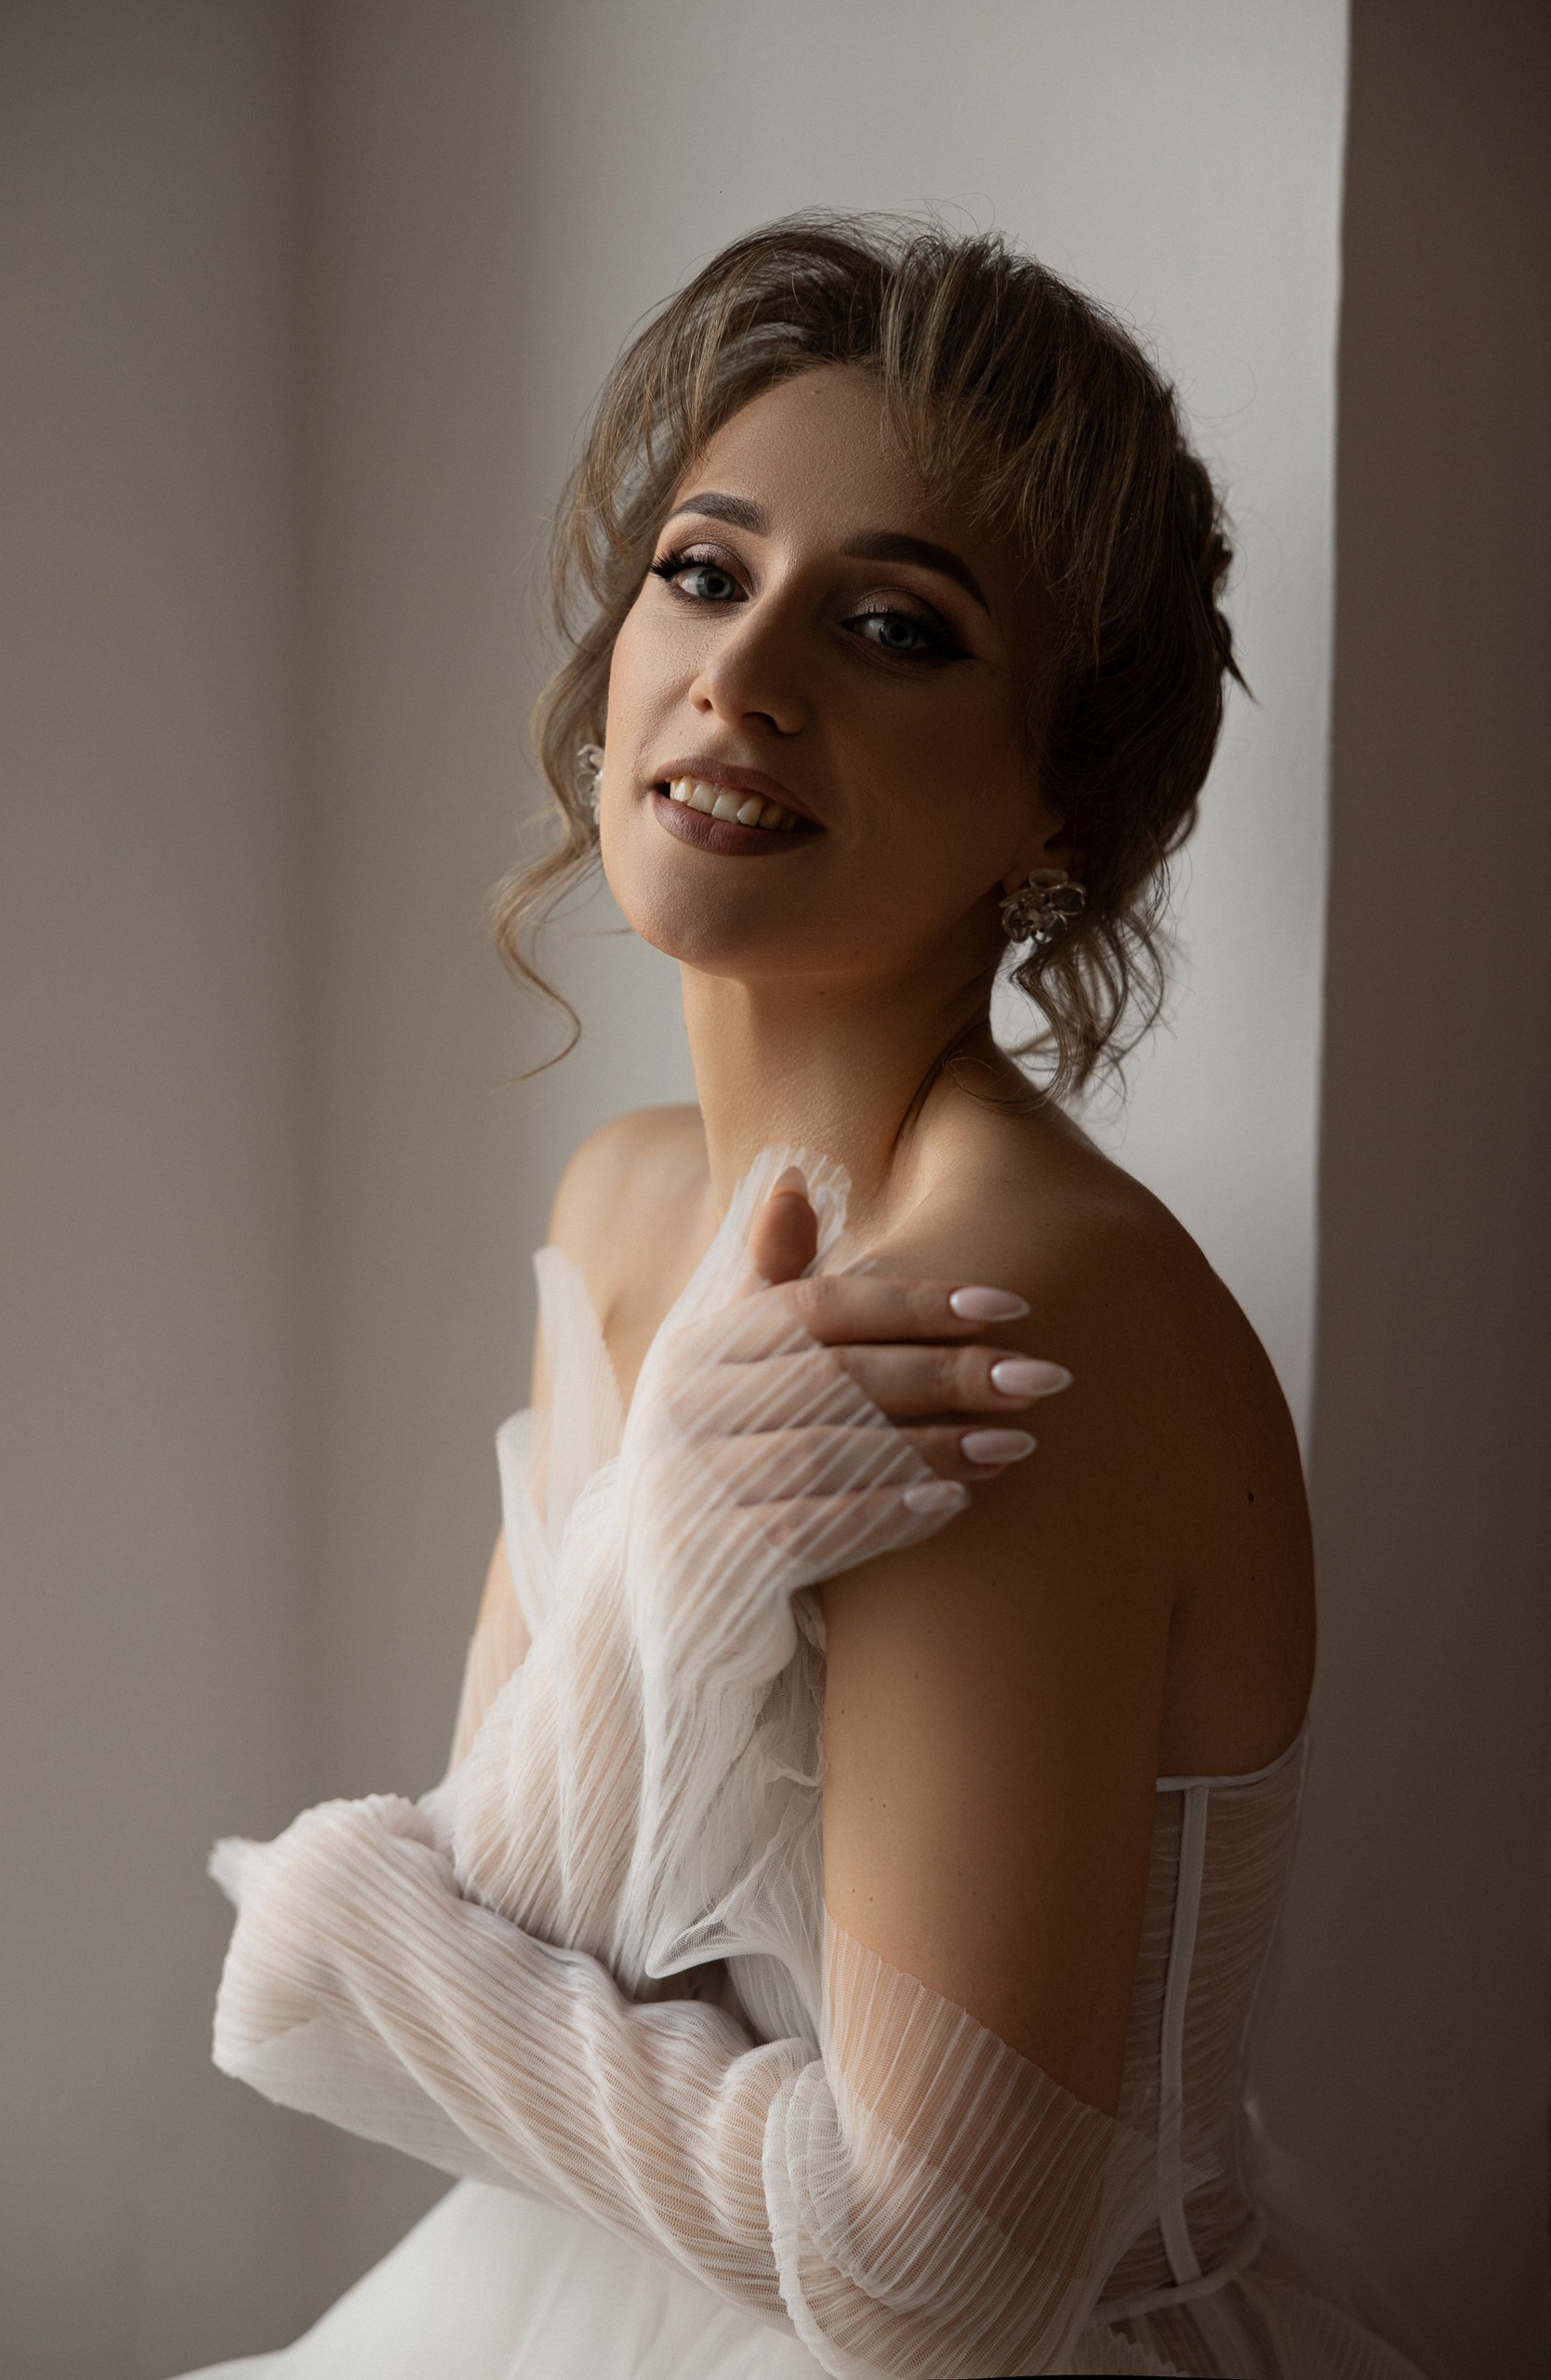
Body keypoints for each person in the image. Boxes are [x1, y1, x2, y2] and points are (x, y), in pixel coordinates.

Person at [179, 216, 1425, 2379]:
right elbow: (541, 1920)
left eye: (889, 627)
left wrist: (332, 1945)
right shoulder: (623, 1193)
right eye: (700, 570)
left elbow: (943, 2279)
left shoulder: (999, 1312)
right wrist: (674, 1553)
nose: (740, 675)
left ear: (1056, 798)